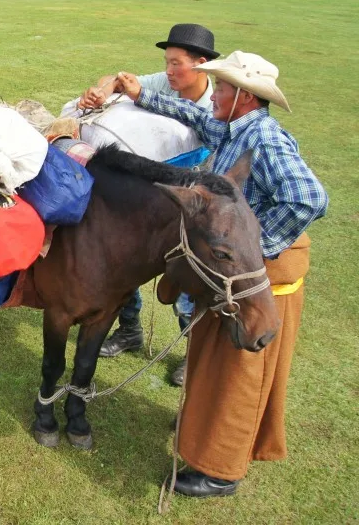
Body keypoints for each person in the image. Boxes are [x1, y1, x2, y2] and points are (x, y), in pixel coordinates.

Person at [116, 50, 328, 497]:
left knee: (238, 369)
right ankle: (201, 430)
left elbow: (309, 198)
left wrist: (254, 246)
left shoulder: (266, 139)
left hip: (257, 270)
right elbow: (194, 112)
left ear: (245, 97)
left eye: (223, 89)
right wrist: (140, 93)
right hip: (236, 267)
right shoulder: (234, 125)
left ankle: (222, 470)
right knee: (212, 356)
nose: (214, 95)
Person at [78, 23, 220, 386]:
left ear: (201, 65)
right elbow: (121, 78)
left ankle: (193, 352)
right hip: (148, 197)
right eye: (167, 63)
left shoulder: (214, 109)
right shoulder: (165, 80)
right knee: (123, 265)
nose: (169, 71)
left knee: (187, 285)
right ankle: (129, 330)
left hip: (187, 208)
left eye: (177, 65)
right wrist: (101, 90)